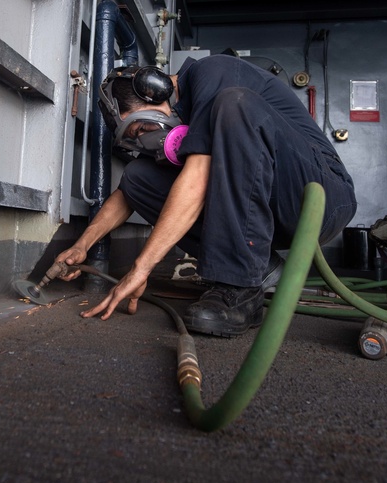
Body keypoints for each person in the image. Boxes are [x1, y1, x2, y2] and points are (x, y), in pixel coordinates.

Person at [54, 54, 357, 337]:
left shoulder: (214, 73)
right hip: (271, 213)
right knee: (138, 177)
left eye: (141, 127)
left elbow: (198, 176)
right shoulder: (180, 118)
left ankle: (238, 288)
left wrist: (141, 267)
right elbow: (126, 195)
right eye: (135, 139)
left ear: (156, 92)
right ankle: (259, 268)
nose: (147, 139)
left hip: (321, 195)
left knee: (235, 103)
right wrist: (82, 244)